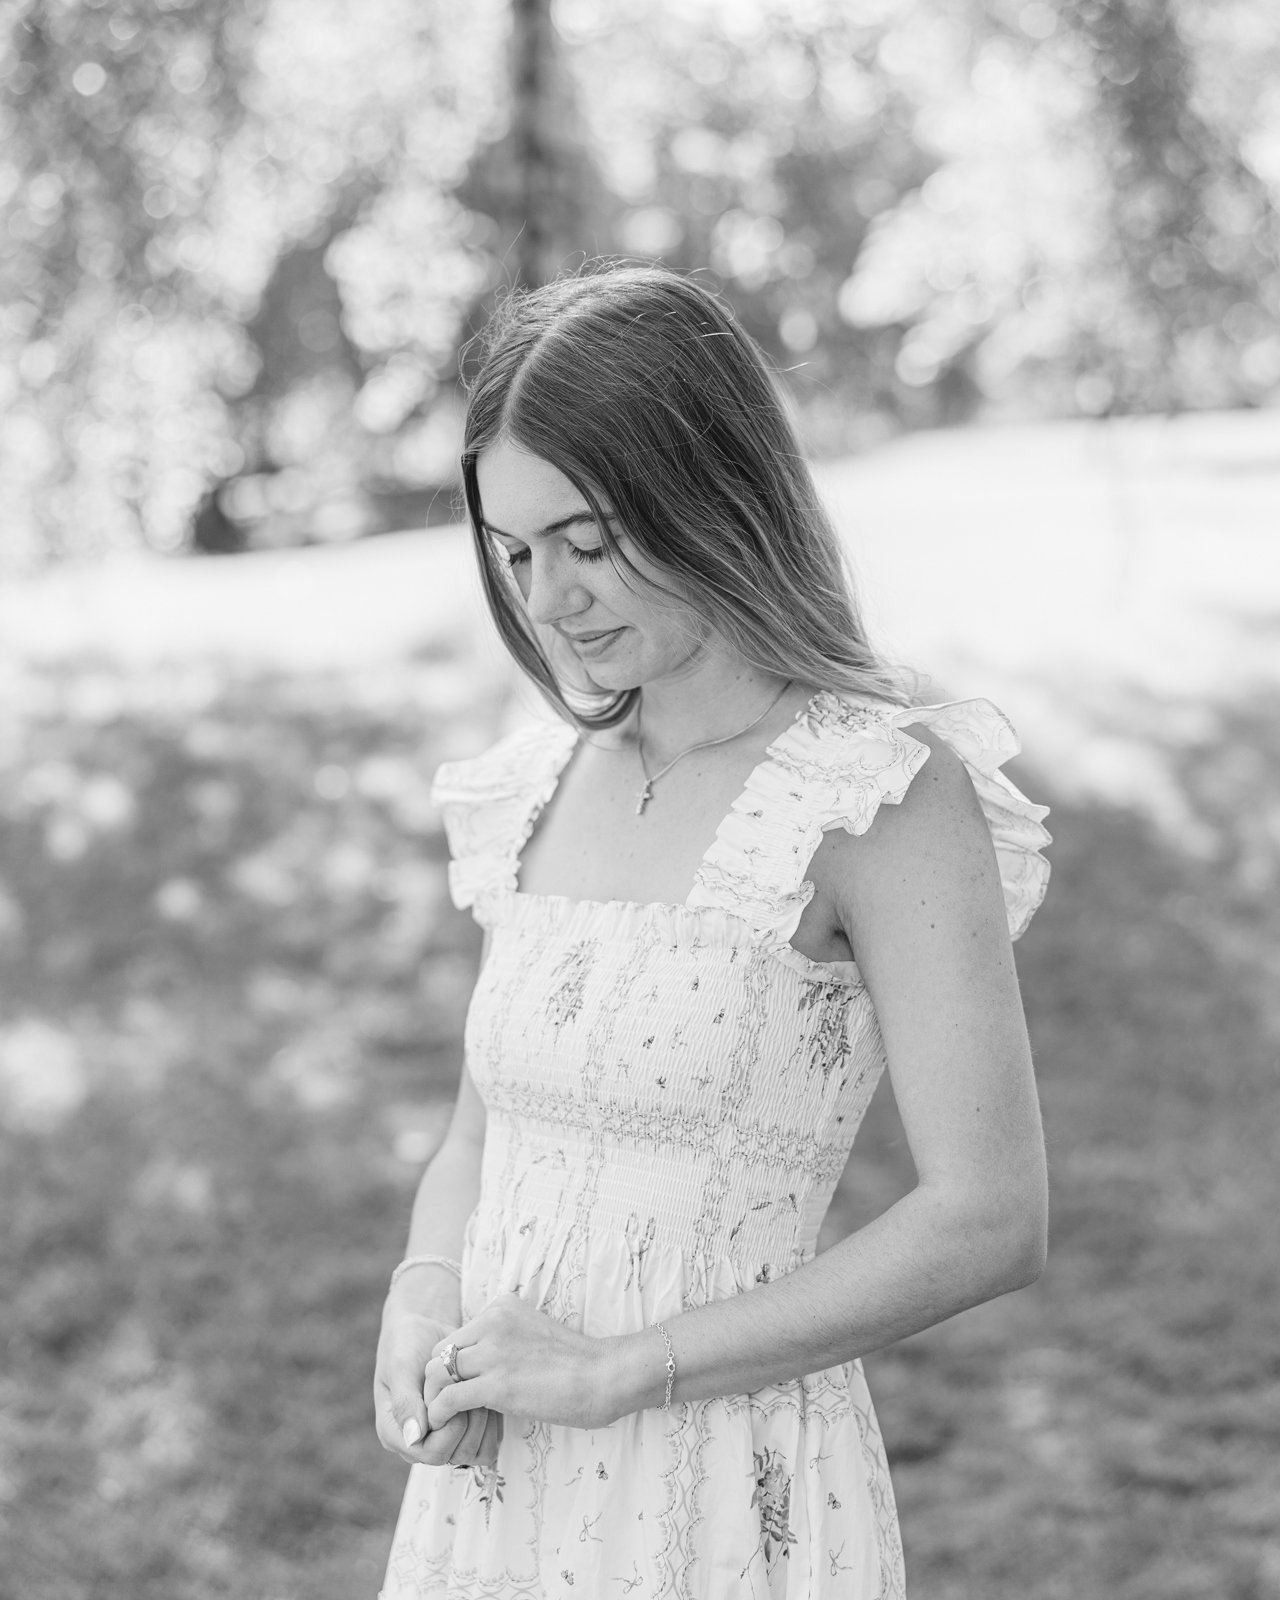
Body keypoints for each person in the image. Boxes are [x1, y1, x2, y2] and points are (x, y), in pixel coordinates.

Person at [374, 265, 1051, 1600]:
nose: (549, 600)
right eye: (513, 554)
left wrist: (625, 1369)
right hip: (504, 1495)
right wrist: (421, 1290)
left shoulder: (878, 793)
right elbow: (478, 1139)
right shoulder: (532, 790)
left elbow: (991, 1215)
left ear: (711, 492)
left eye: (586, 539)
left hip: (726, 1493)